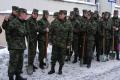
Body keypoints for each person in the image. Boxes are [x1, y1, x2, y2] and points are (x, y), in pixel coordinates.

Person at [48, 10, 73, 75]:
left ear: (65, 15)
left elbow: (70, 34)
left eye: (62, 14)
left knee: (62, 58)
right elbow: (50, 32)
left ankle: (60, 69)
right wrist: (50, 40)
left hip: (63, 44)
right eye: (60, 14)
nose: (60, 15)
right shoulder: (54, 22)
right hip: (55, 43)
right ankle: (52, 69)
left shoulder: (68, 23)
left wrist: (69, 44)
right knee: (53, 57)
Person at [7, 8, 27, 80]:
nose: (26, 15)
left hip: (21, 46)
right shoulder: (13, 22)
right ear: (21, 14)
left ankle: (18, 76)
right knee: (13, 63)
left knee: (19, 63)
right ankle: (11, 78)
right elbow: (8, 33)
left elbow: (24, 33)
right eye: (25, 14)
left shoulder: (23, 22)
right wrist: (11, 45)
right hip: (14, 47)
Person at [26, 9, 39, 75]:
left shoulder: (35, 21)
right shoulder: (29, 21)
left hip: (35, 39)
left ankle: (32, 64)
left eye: (36, 14)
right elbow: (27, 31)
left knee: (33, 53)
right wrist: (30, 39)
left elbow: (36, 28)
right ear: (32, 13)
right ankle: (29, 66)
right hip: (31, 39)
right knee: (30, 53)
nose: (35, 15)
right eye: (34, 13)